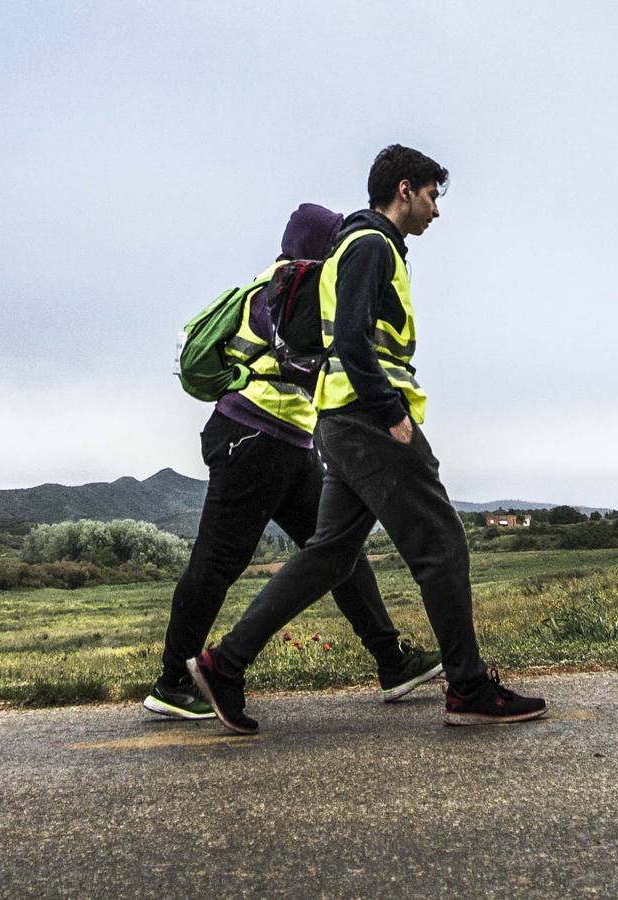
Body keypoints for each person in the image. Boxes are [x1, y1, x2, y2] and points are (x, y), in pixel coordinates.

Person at [190, 145, 547, 733]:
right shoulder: (369, 245)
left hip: (340, 422)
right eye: (432, 195)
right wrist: (391, 413)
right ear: (404, 190)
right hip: (368, 421)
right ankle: (469, 687)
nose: (436, 210)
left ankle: (225, 664)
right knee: (442, 543)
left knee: (330, 554)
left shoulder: (364, 247)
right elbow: (352, 341)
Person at [145, 204, 443, 721]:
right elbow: (316, 357)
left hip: (284, 444)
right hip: (255, 438)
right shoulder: (289, 289)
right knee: (219, 560)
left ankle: (391, 660)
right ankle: (174, 681)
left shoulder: (273, 286)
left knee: (335, 549)